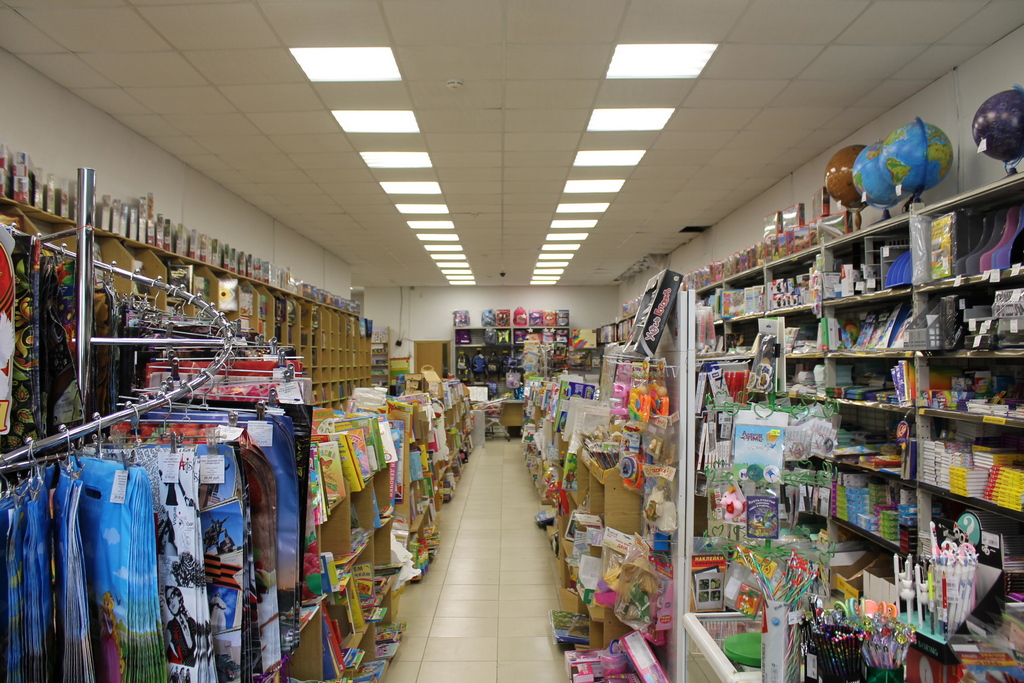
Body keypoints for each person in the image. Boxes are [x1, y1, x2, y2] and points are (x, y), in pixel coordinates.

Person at [165, 585, 199, 667]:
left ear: (179, 597)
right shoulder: (171, 626)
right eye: (168, 601)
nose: (171, 602)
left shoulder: (191, 622)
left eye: (172, 596)